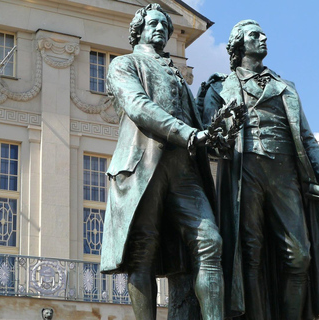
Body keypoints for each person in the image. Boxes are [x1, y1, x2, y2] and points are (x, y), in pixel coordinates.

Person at [202, 20, 319, 319]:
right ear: (239, 44)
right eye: (255, 34)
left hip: (286, 175)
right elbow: (208, 137)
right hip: (246, 174)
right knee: (250, 254)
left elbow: (306, 138)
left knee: (300, 257)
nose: (264, 37)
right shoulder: (218, 86)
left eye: (263, 33)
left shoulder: (285, 88)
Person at [100, 4, 224, 320]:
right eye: (155, 23)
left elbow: (198, 126)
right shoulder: (123, 65)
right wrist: (189, 134)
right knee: (142, 254)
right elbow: (139, 106)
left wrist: (213, 134)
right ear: (138, 29)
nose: (161, 30)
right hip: (142, 164)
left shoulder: (180, 78)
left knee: (210, 241)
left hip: (184, 167)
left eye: (166, 27)